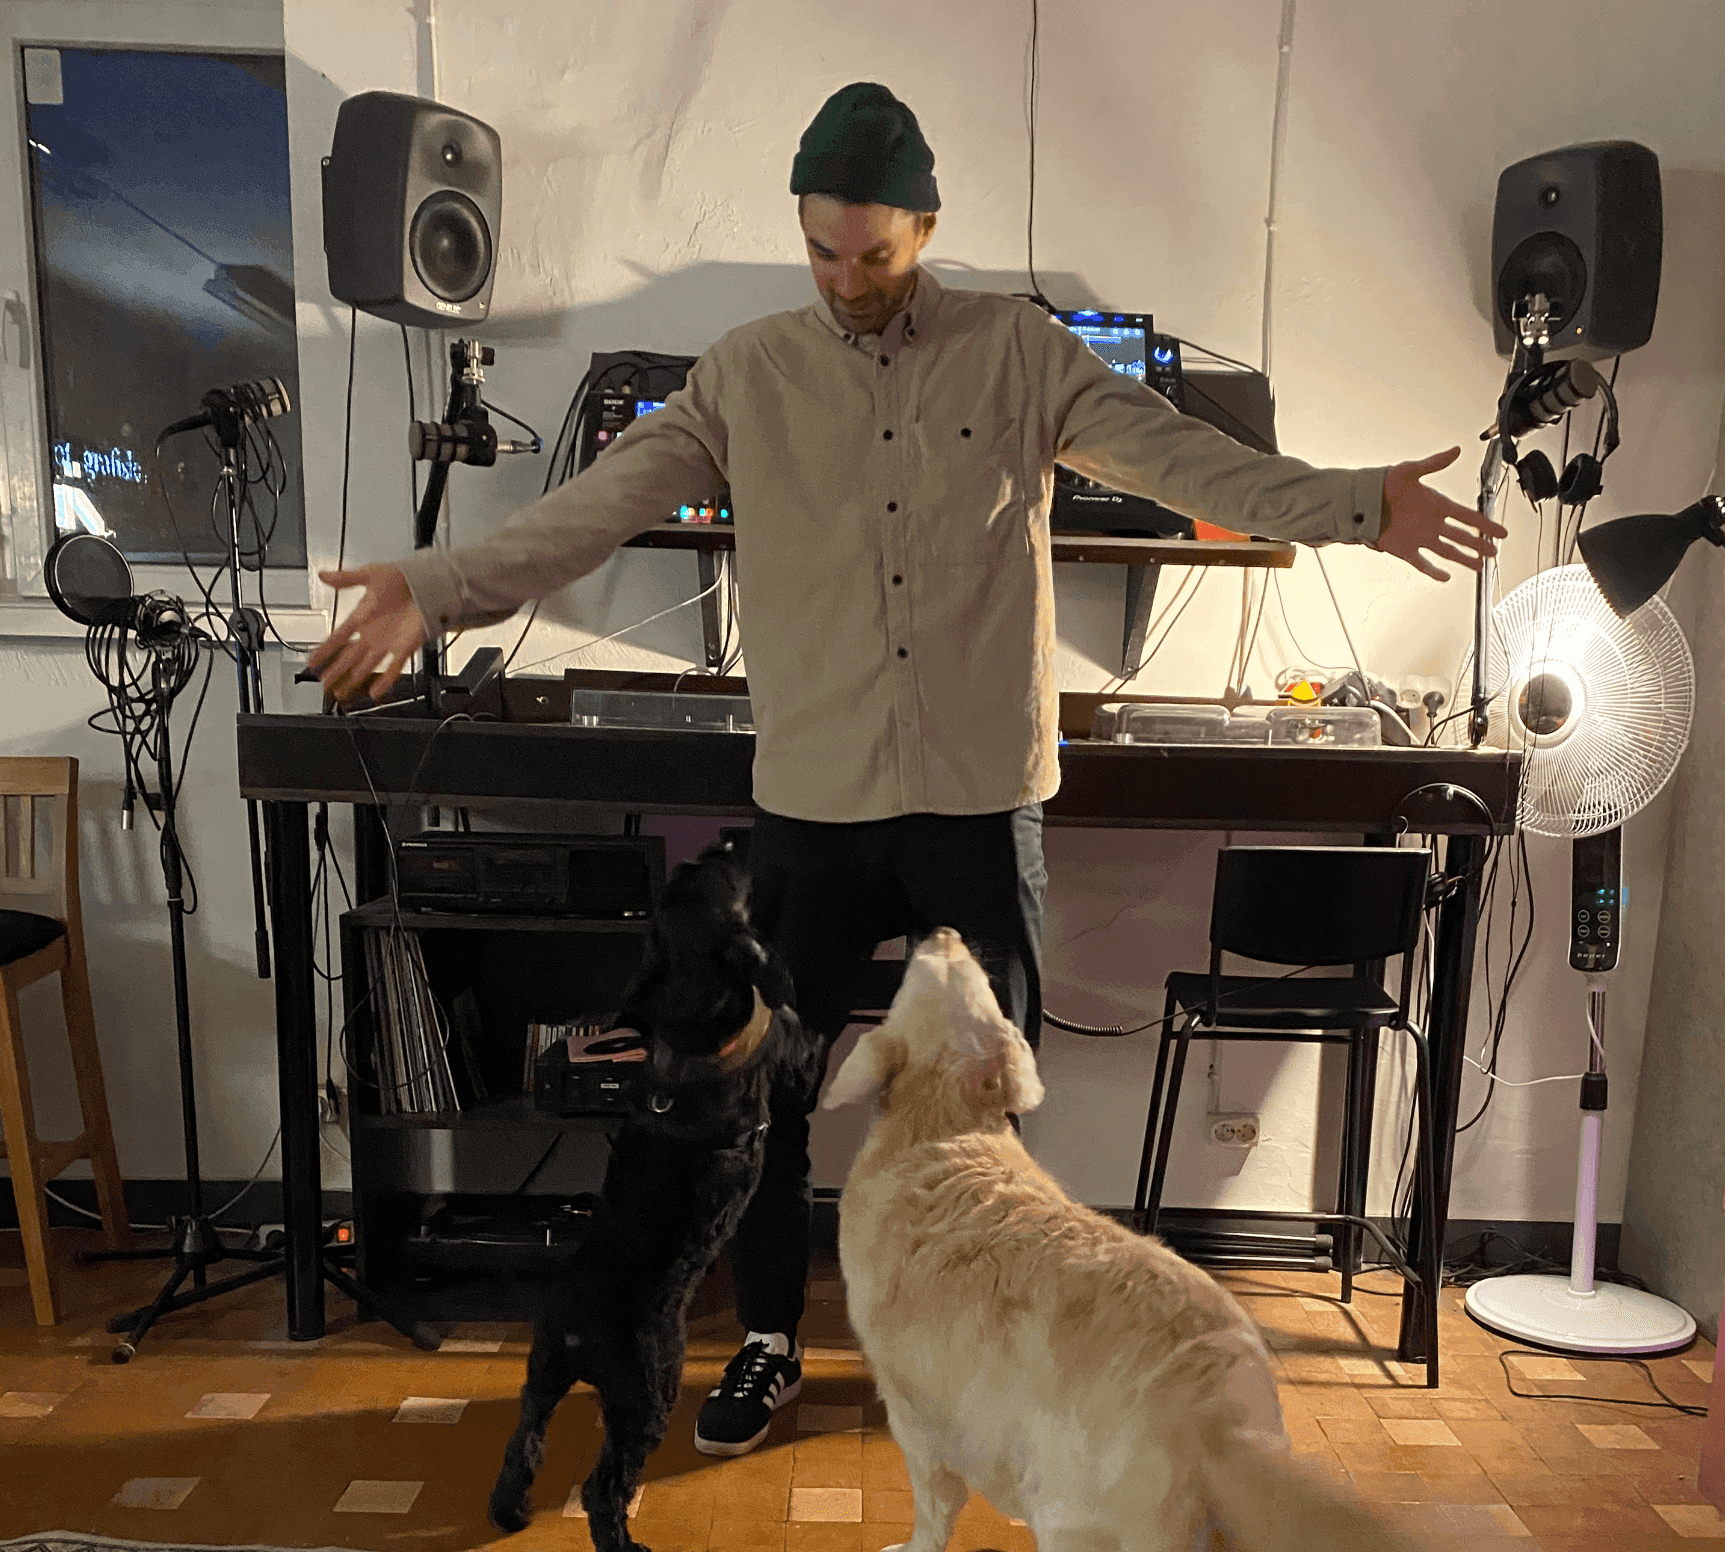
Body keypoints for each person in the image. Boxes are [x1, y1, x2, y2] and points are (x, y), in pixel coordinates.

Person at [308, 82, 1505, 1457]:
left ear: (924, 229)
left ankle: (980, 1351)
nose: (843, 280)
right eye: (821, 251)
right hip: (813, 812)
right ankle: (768, 1341)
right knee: (759, 1093)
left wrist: (1354, 505)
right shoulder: (747, 374)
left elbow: (1188, 463)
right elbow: (594, 509)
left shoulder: (1020, 355)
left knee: (984, 1105)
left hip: (979, 808)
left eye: (870, 254)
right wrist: (435, 584)